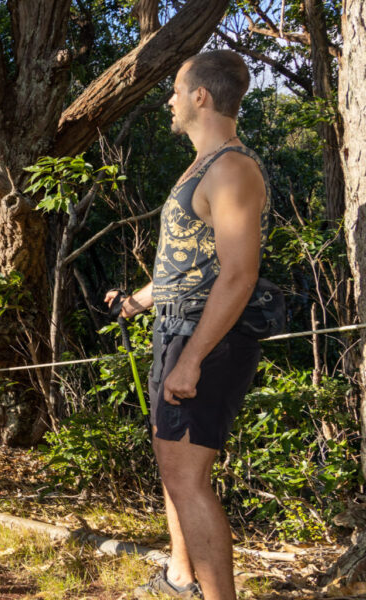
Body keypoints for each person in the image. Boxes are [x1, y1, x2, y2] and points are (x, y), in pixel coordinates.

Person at [106, 50, 268, 600]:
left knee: (188, 480)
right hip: (176, 328)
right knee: (174, 471)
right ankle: (181, 580)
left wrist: (193, 357)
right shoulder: (202, 165)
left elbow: (239, 274)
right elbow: (188, 264)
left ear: (201, 95)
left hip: (206, 338)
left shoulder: (232, 168)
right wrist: (135, 301)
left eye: (177, 90)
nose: (170, 100)